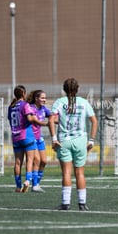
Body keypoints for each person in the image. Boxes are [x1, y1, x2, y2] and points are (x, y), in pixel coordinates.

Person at [49, 78, 98, 211]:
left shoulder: (59, 102)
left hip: (64, 141)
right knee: (80, 173)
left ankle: (66, 203)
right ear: (78, 89)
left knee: (66, 173)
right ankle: (82, 203)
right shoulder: (84, 102)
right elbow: (94, 121)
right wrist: (91, 140)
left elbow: (51, 119)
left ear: (64, 89)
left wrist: (54, 138)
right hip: (81, 140)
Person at [8, 85, 47, 193]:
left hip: (15, 137)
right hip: (27, 135)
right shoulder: (25, 105)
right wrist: (43, 123)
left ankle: (17, 186)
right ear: (24, 94)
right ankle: (28, 181)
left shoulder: (11, 106)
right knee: (30, 160)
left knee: (17, 162)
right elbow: (30, 118)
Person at [26, 90, 53, 192]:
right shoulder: (31, 108)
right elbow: (34, 120)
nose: (44, 100)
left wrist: (61, 121)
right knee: (36, 160)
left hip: (39, 138)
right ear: (36, 98)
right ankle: (35, 185)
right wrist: (46, 124)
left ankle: (36, 182)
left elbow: (52, 117)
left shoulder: (44, 109)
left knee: (44, 161)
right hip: (31, 138)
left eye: (45, 98)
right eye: (42, 98)